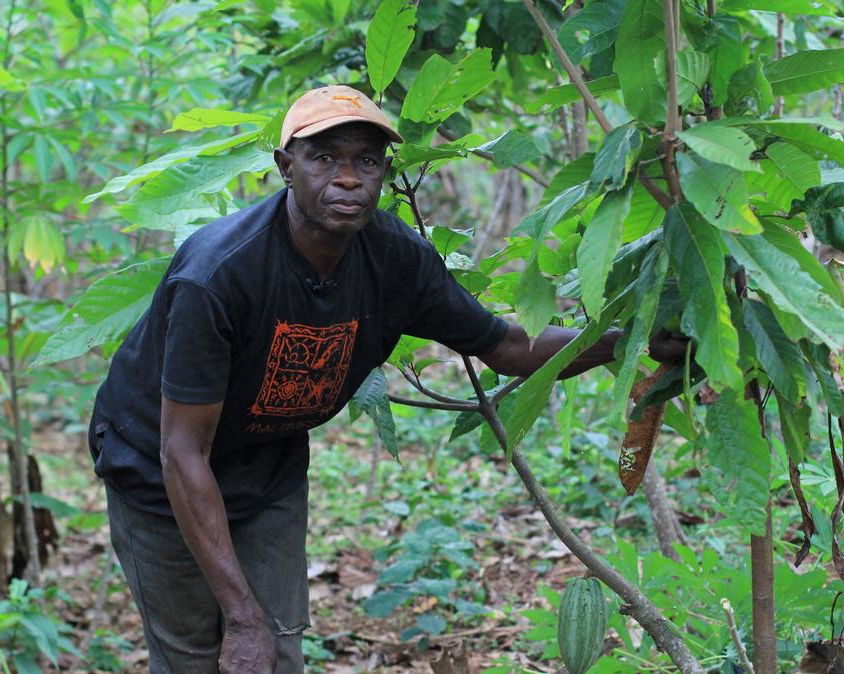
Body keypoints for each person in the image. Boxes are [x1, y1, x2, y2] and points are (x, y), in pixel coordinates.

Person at [88, 84, 685, 674]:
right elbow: (182, 450)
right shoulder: (219, 273)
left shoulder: (397, 260)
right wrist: (240, 618)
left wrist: (625, 343)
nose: (347, 178)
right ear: (284, 166)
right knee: (198, 654)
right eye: (324, 158)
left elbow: (504, 345)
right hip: (160, 474)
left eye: (366, 162)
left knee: (276, 652)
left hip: (266, 467)